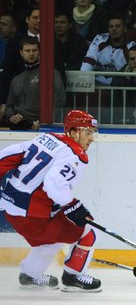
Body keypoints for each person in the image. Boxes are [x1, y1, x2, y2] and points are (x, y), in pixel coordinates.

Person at [0, 110, 102, 292]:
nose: (92, 138)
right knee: (89, 231)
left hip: (12, 212)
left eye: (93, 133)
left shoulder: (47, 138)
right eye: (88, 133)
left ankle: (30, 276)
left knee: (51, 241)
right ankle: (73, 276)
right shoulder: (75, 154)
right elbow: (54, 183)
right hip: (34, 216)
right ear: (74, 132)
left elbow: (7, 156)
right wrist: (72, 206)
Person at [4, 36, 66, 130]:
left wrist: (43, 122)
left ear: (39, 52)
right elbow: (9, 105)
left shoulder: (50, 73)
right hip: (17, 127)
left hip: (41, 127)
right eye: (27, 51)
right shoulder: (16, 79)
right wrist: (12, 116)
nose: (31, 54)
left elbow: (59, 100)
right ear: (21, 53)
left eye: (34, 50)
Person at [80, 15, 136, 85]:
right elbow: (90, 59)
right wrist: (83, 78)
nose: (114, 29)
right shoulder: (99, 38)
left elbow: (130, 69)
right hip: (95, 84)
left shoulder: (131, 46)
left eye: (117, 26)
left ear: (125, 29)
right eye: (111, 26)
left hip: (118, 86)